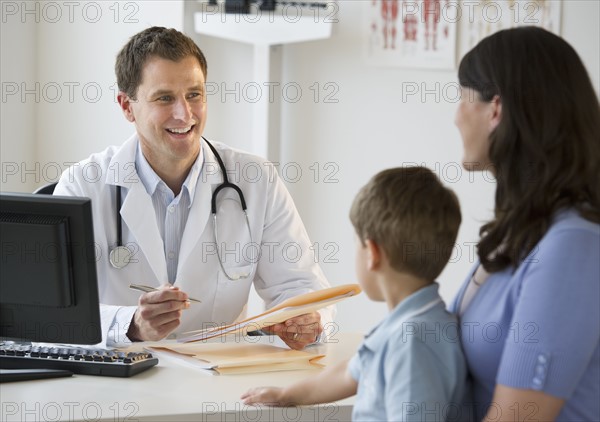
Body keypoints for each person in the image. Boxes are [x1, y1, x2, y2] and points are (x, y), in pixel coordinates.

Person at [54, 27, 332, 349]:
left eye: (194, 94)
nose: (184, 114)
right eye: (164, 98)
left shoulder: (256, 181)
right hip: (118, 381)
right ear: (126, 106)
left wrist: (305, 318)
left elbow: (300, 285)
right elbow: (57, 314)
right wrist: (131, 324)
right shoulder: (83, 186)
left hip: (217, 383)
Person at [450, 26, 600, 421]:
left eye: (462, 98)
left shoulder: (572, 246)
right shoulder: (521, 232)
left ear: (495, 109)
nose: (455, 118)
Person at [242, 167, 467, 421]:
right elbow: (347, 375)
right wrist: (286, 395)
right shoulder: (407, 324)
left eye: (356, 241)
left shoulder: (414, 343)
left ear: (372, 253)